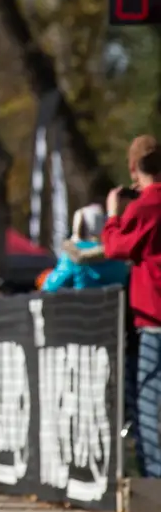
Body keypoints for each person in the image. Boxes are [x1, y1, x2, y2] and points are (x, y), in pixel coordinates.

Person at [103, 135, 161, 477]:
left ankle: (154, 477)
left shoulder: (144, 207)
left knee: (149, 402)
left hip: (153, 317)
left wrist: (113, 213)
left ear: (133, 169)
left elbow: (115, 247)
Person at [44, 204, 130, 291]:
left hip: (80, 303)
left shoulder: (71, 255)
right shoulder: (118, 257)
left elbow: (51, 287)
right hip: (114, 304)